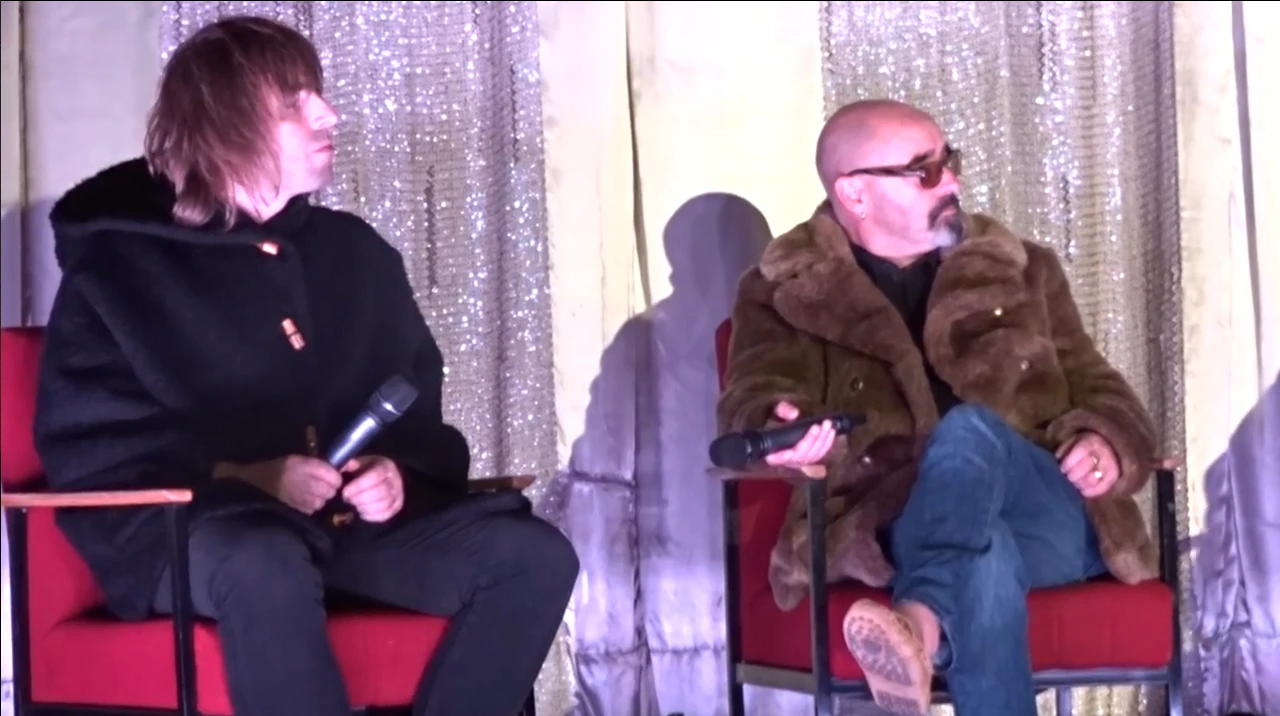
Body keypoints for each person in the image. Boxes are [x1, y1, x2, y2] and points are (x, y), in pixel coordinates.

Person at [34, 15, 578, 716]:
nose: (328, 113)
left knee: (530, 556)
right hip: (191, 534)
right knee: (263, 561)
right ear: (224, 121)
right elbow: (100, 452)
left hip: (342, 530)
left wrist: (395, 473)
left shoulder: (354, 254)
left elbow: (413, 408)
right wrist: (250, 477)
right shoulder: (123, 269)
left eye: (318, 94)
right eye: (295, 102)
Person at [716, 99, 1162, 715]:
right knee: (982, 560)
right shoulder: (782, 294)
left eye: (949, 160)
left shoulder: (1023, 271)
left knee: (968, 430)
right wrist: (780, 427)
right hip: (894, 519)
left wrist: (1106, 440)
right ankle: (926, 622)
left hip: (1048, 512)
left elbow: (1103, 389)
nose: (951, 181)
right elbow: (751, 397)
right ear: (855, 194)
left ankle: (918, 624)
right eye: (924, 170)